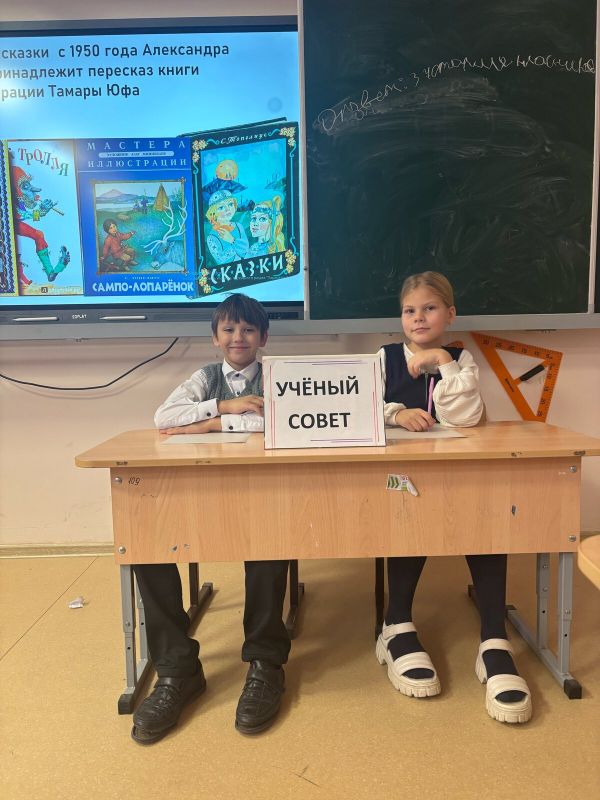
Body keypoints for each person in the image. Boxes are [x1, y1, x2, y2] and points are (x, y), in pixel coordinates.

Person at [375, 270, 532, 724]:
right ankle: (396, 624)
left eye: (429, 308)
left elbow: (464, 418)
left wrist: (443, 361)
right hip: (398, 477)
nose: (418, 317)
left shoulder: (462, 360)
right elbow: (359, 406)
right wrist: (398, 414)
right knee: (409, 514)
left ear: (450, 314)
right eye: (409, 310)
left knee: (485, 516)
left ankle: (493, 639)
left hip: (456, 472)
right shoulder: (384, 358)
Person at [132, 294, 289, 744]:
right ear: (215, 337)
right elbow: (163, 418)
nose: (239, 337)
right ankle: (177, 669)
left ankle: (265, 661)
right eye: (229, 330)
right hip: (200, 491)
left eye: (248, 330)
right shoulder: (205, 378)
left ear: (264, 337)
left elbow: (288, 422)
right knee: (147, 543)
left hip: (263, 491)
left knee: (269, 543)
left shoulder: (280, 376)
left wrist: (208, 427)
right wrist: (221, 408)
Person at [205, 189, 249, 265]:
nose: (228, 209)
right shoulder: (212, 237)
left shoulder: (238, 226)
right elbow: (220, 260)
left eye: (230, 204)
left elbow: (246, 250)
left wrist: (232, 240)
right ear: (213, 212)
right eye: (221, 207)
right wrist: (236, 246)